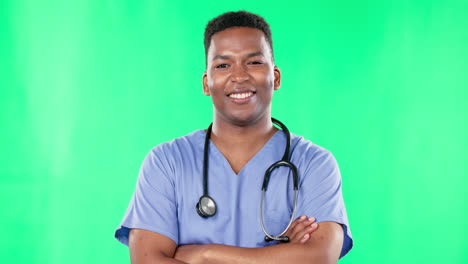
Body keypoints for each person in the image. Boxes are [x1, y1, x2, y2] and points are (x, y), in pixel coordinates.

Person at [115, 10, 353, 263]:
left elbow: (320, 256)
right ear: (207, 84)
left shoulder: (313, 162)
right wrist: (282, 255)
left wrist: (204, 254)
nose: (239, 76)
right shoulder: (167, 162)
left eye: (254, 62)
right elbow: (147, 259)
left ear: (275, 77)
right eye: (223, 65)